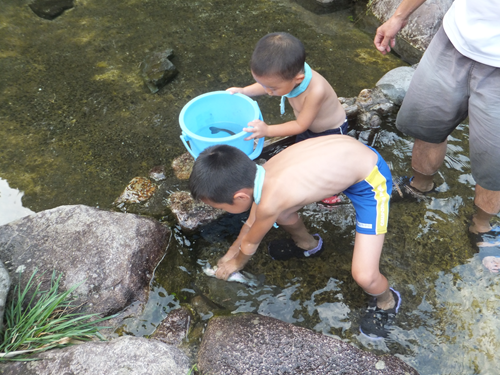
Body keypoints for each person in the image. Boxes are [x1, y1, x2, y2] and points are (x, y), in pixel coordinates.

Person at [189, 135, 401, 338]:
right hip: (349, 156)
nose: (219, 209)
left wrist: (234, 264)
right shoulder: (263, 171)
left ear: (240, 197)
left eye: (218, 206)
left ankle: (387, 301)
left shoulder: (270, 201)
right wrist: (230, 252)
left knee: (365, 276)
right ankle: (309, 245)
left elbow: (251, 242)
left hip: (371, 180)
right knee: (282, 212)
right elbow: (252, 222)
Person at [374, 0, 500, 245]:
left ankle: (482, 225)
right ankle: (419, 185)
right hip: (454, 39)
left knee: (495, 161)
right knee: (426, 124)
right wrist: (399, 17)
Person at [227, 32, 347, 204]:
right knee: (304, 156)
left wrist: (267, 130)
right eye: (264, 85)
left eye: (273, 89)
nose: (268, 92)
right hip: (310, 127)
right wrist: (244, 91)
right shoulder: (287, 75)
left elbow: (300, 125)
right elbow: (267, 85)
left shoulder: (315, 91)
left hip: (331, 132)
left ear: (298, 80)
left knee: (327, 163)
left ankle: (332, 189)